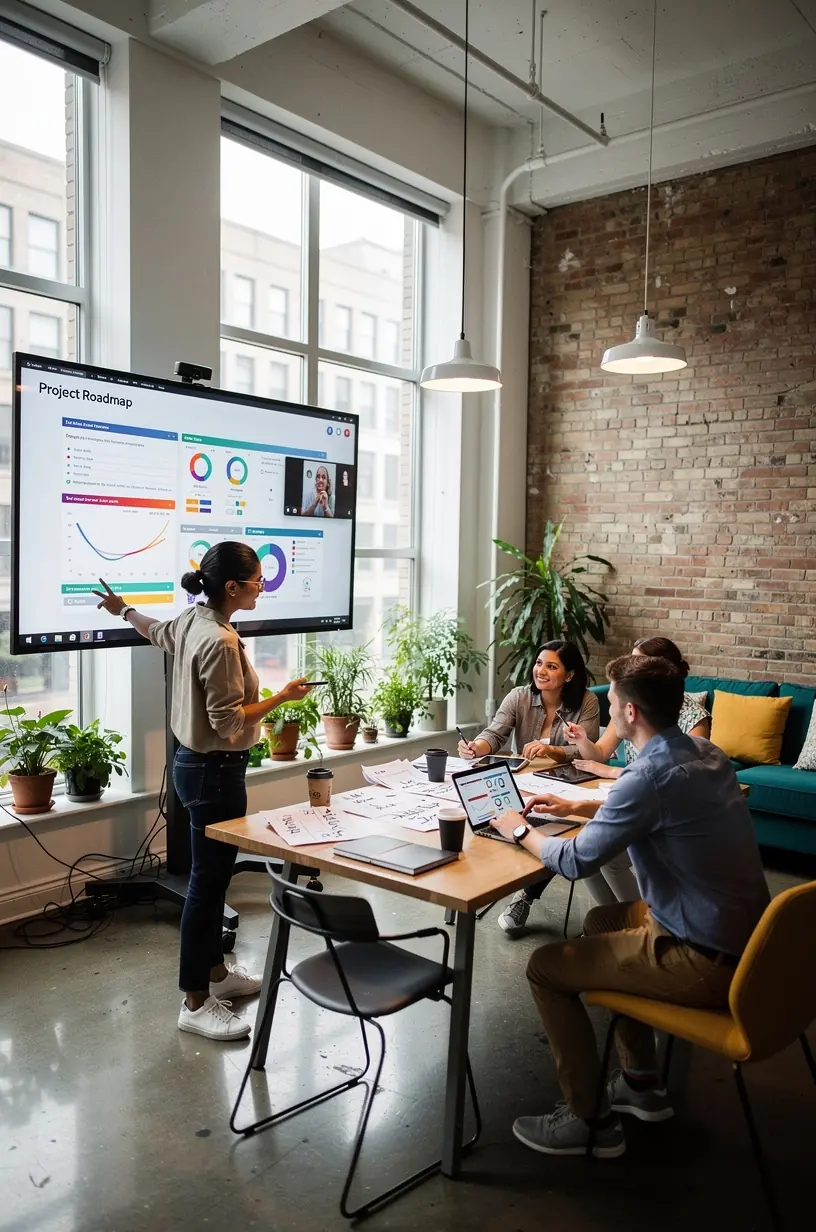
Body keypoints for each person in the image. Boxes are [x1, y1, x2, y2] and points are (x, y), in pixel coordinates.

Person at [490, 654, 770, 1158]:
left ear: (632, 714)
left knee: (546, 968)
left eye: (613, 701)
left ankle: (587, 1120)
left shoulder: (649, 777)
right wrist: (578, 805)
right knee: (600, 920)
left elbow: (574, 861)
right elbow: (650, 799)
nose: (609, 708)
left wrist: (516, 828)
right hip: (747, 941)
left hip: (703, 958)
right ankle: (641, 1081)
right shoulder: (704, 753)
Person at [93, 542, 315, 1042]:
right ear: (232, 587)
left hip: (193, 768)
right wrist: (282, 696)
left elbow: (154, 631)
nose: (264, 586)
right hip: (216, 773)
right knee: (207, 886)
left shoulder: (195, 621)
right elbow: (229, 720)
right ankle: (194, 1001)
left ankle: (217, 973)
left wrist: (122, 609)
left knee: (211, 880)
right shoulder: (219, 639)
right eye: (258, 580)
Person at [457, 641, 638, 935]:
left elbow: (585, 751)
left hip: (573, 782)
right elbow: (495, 732)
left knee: (560, 829)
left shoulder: (587, 701)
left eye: (551, 666)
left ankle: (526, 895)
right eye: (539, 663)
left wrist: (552, 750)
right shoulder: (520, 697)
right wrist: (477, 747)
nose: (541, 671)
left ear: (569, 675)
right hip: (526, 782)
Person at [568, 636, 710, 779]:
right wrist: (582, 740)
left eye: (636, 663)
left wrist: (612, 772)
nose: (628, 669)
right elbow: (600, 753)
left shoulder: (694, 717)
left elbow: (683, 776)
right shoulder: (627, 705)